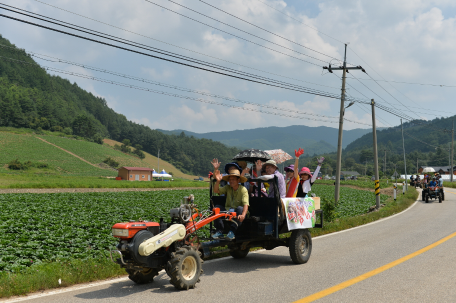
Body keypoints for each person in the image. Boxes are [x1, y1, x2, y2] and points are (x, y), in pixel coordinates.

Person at [211, 158, 249, 240]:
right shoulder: (227, 187)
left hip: (238, 212)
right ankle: (219, 231)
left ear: (238, 180)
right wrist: (218, 181)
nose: (231, 181)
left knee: (240, 208)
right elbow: (216, 190)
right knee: (217, 208)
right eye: (230, 179)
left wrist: (243, 215)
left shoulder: (243, 189)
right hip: (228, 210)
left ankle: (232, 231)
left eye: (233, 179)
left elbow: (246, 204)